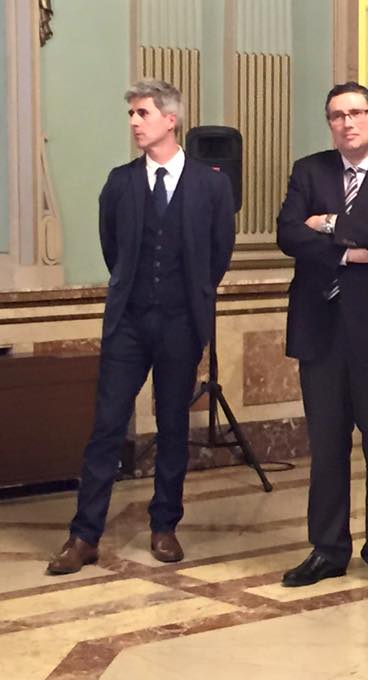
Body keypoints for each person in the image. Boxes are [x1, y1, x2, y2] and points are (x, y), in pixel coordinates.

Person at [47, 79, 236, 574]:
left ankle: (164, 526)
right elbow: (113, 249)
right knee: (106, 426)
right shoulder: (120, 182)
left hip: (181, 323)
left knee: (173, 425)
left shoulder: (212, 185)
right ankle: (84, 535)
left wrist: (188, 299)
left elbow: (218, 254)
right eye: (131, 114)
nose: (134, 122)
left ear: (170, 120)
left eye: (143, 113)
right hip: (129, 322)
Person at [276, 81, 368, 593]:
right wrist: (345, 249)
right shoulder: (310, 170)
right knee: (326, 447)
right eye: (337, 116)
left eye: (356, 113)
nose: (347, 123)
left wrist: (327, 223)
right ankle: (327, 549)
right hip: (321, 329)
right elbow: (288, 233)